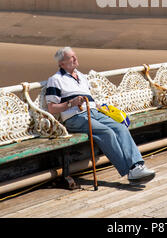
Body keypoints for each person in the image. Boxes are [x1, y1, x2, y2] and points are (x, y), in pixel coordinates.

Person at [46, 47, 155, 184]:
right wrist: (70, 103)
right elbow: (51, 108)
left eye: (75, 56)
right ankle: (130, 171)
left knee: (121, 128)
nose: (75, 59)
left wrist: (100, 107)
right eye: (71, 57)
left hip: (94, 113)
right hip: (75, 117)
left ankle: (137, 165)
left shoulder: (82, 77)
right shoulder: (55, 80)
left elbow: (91, 99)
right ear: (62, 63)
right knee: (107, 132)